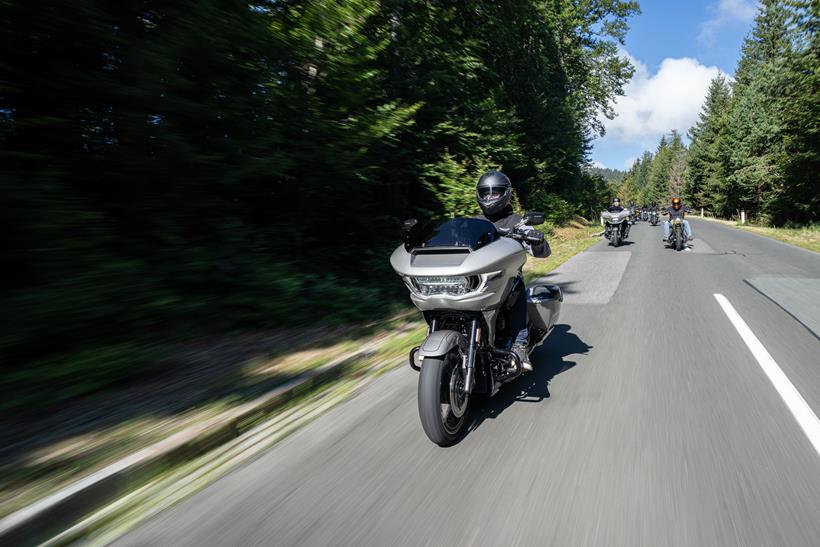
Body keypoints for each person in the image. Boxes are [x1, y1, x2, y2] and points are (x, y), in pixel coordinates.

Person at [476, 170, 550, 372]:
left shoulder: (518, 222)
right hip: (477, 279)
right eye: (486, 193)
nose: (489, 197)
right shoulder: (474, 222)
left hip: (504, 278)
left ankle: (520, 343)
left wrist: (538, 239)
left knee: (516, 284)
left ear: (506, 193)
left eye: (494, 193)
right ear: (479, 195)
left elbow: (543, 253)